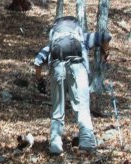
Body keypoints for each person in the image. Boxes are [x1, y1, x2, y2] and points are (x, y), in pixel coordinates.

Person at [33, 16, 111, 155]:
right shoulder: (82, 39)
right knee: (82, 108)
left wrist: (40, 81)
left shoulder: (51, 45)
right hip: (78, 69)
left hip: (57, 69)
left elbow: (38, 61)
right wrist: (106, 53)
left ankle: (56, 144)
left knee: (58, 111)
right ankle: (86, 142)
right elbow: (106, 36)